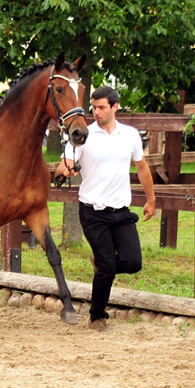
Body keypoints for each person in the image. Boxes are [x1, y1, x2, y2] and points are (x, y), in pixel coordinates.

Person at [55, 86, 156, 332]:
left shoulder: (130, 135)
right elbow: (62, 166)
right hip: (93, 211)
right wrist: (65, 170)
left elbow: (141, 167)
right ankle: (96, 317)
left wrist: (151, 200)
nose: (96, 112)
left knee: (133, 262)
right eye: (94, 108)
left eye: (101, 107)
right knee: (108, 264)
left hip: (121, 212)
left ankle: (100, 261)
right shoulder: (82, 136)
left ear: (115, 107)